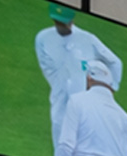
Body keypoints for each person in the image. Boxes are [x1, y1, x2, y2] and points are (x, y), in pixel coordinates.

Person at [35, 3, 122, 148]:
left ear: (71, 20)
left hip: (86, 105)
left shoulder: (87, 39)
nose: (61, 26)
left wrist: (112, 87)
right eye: (58, 22)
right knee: (61, 146)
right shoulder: (43, 37)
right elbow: (45, 65)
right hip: (60, 103)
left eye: (63, 22)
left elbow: (114, 62)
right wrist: (59, 83)